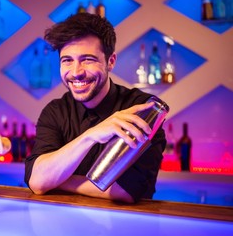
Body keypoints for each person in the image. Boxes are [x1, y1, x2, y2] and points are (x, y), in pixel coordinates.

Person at [24, 13, 166, 203]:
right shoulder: (55, 111)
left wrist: (56, 181)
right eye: (67, 60)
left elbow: (127, 191)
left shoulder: (142, 109)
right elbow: (38, 180)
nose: (76, 72)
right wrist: (91, 135)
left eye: (88, 59)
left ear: (111, 61)